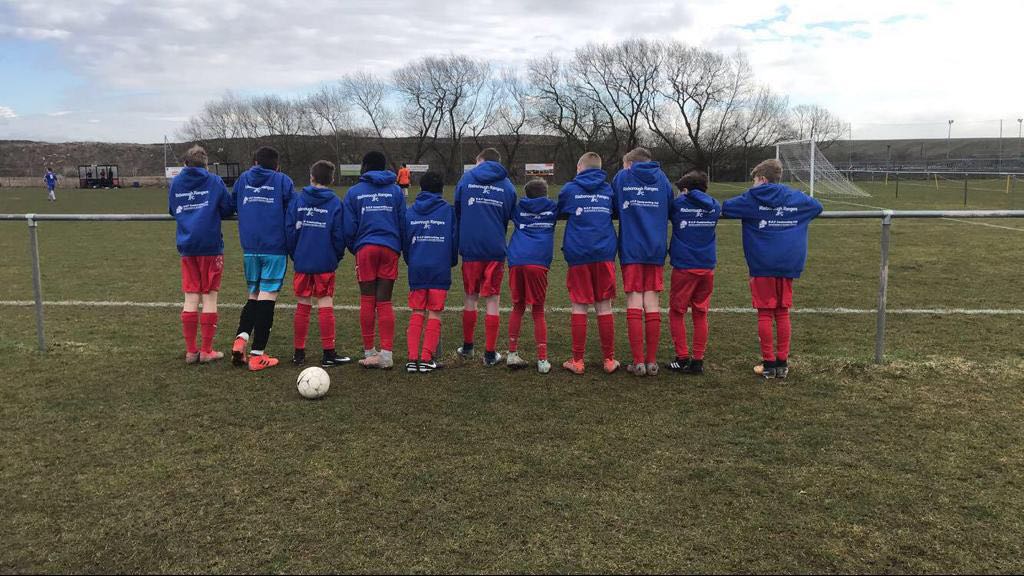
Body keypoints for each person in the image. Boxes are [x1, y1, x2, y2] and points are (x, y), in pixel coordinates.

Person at [723, 158, 823, 379]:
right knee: (783, 311)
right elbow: (817, 207)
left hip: (762, 264)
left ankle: (768, 363)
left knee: (765, 313)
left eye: (754, 181)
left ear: (761, 179)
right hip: (788, 263)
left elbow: (727, 208)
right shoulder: (794, 196)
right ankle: (782, 362)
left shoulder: (752, 197)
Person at [230, 146, 295, 371]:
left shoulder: (243, 179)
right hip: (274, 248)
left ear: (255, 162)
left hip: (250, 248)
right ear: (277, 165)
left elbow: (231, 205)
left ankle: (241, 339)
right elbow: (292, 211)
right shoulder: (283, 180)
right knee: (267, 297)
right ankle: (257, 355)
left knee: (253, 295)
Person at [168, 145, 233, 364]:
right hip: (210, 246)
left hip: (187, 246)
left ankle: (190, 351)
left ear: (185, 164)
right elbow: (227, 208)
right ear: (206, 164)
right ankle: (206, 350)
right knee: (209, 296)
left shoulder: (176, 182)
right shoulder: (214, 181)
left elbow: (172, 208)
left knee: (190, 296)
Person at [612, 147, 673, 377]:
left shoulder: (623, 177)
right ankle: (652, 362)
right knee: (653, 302)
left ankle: (638, 362)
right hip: (655, 247)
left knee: (634, 301)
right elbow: (670, 204)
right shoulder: (662, 178)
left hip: (632, 247)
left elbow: (614, 204)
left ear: (628, 164)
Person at [558, 152, 620, 375]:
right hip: (604, 253)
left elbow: (561, 208)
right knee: (604, 306)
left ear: (578, 167)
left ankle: (578, 360)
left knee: (579, 305)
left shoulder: (569, 189)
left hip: (579, 253)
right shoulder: (608, 189)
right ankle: (609, 360)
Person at [454, 147, 517, 366]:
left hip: (471, 246)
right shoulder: (507, 184)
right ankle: (489, 354)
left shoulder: (466, 178)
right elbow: (510, 214)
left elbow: (458, 209)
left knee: (470, 296)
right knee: (493, 299)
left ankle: (469, 346)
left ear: (479, 160)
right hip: (494, 248)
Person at [285, 160, 351, 368]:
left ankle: (299, 353)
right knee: (325, 303)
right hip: (324, 261)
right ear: (331, 180)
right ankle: (328, 353)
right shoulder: (335, 203)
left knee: (303, 304)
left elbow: (289, 230)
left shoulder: (298, 200)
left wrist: (296, 253)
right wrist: (335, 256)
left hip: (303, 260)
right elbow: (339, 236)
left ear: (311, 177)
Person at [343, 151, 406, 370]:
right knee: (385, 300)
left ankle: (370, 351)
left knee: (368, 300)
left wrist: (356, 247)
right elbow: (402, 222)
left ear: (365, 166)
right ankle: (386, 354)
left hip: (366, 248)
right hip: (389, 248)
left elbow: (348, 227)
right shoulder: (396, 191)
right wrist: (398, 247)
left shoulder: (354, 192)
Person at [666, 170, 721, 375]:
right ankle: (698, 360)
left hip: (684, 267)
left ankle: (681, 358)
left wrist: (687, 194)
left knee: (677, 312)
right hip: (707, 267)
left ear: (686, 190)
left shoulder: (679, 204)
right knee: (700, 313)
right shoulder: (714, 205)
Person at [402, 171, 457, 373]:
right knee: (435, 312)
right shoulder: (448, 211)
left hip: (417, 267)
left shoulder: (410, 211)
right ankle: (426, 358)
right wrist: (450, 262)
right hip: (439, 267)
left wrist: (411, 261)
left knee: (417, 311)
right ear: (442, 190)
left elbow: (405, 242)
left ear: (421, 189)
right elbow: (453, 240)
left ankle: (412, 358)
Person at [505, 178, 557, 374]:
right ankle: (542, 360)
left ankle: (511, 353)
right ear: (546, 193)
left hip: (516, 259)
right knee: (538, 310)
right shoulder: (553, 208)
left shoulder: (518, 208)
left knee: (517, 306)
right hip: (537, 262)